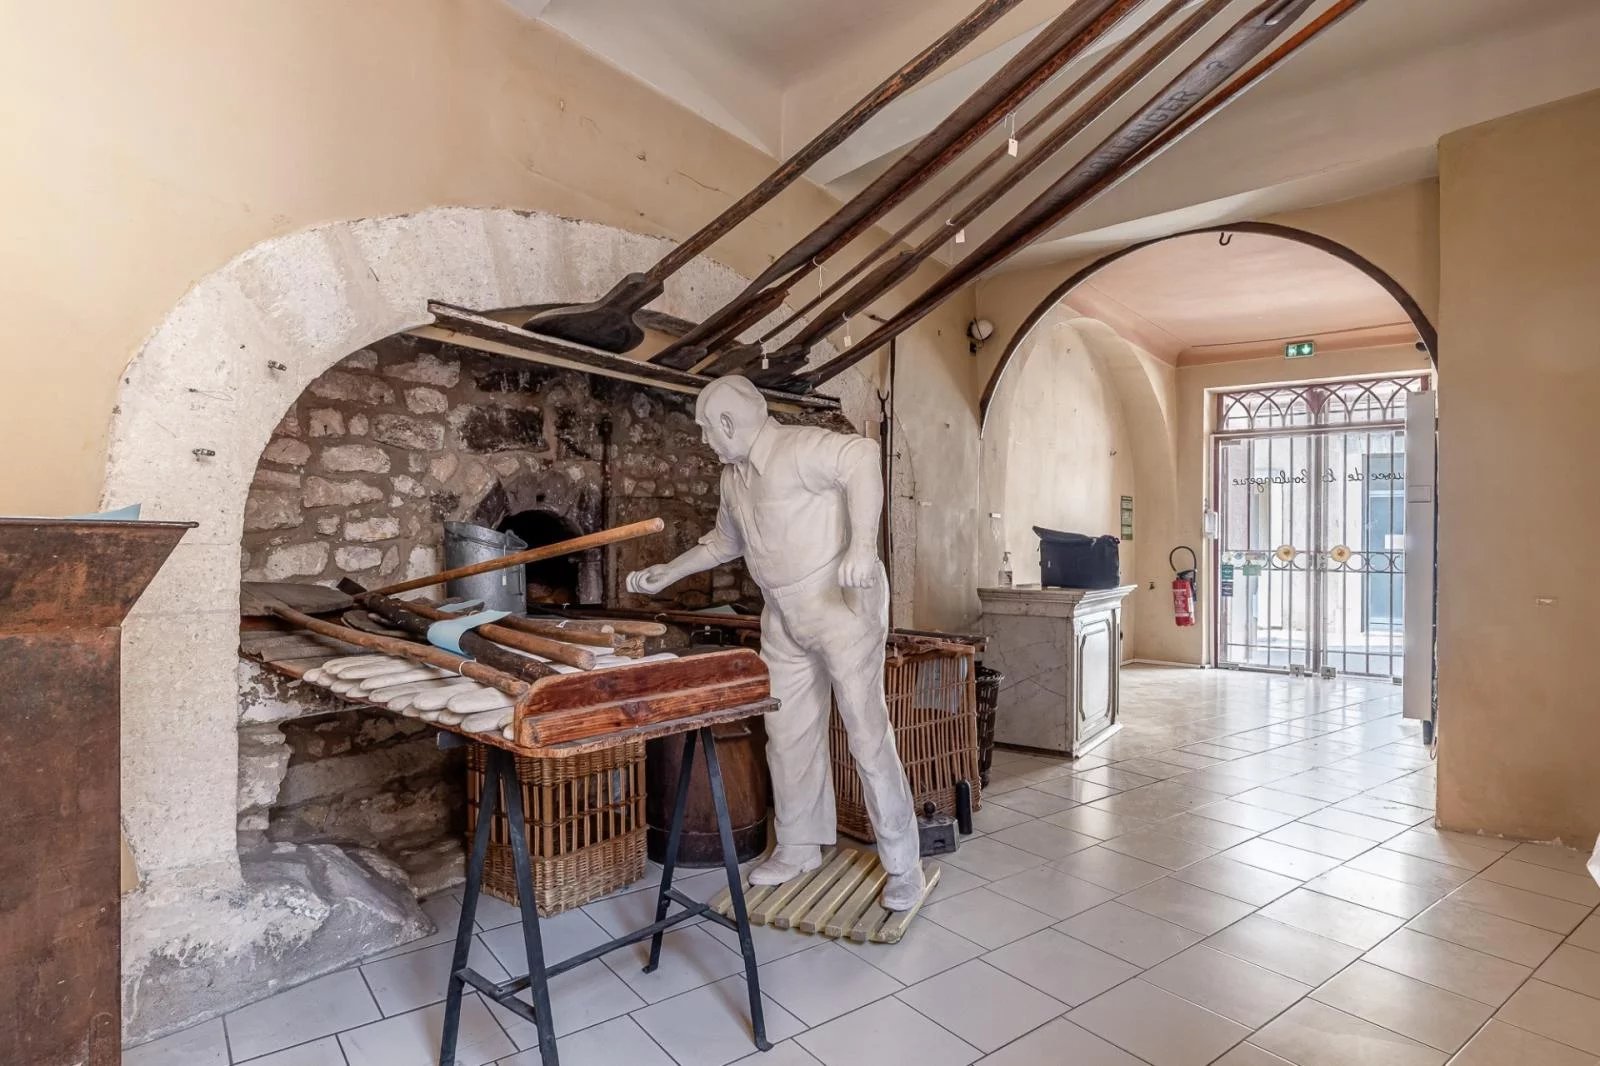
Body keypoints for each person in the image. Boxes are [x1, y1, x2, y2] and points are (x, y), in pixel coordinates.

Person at [626, 376, 925, 910]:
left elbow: (861, 457)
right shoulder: (733, 478)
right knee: (786, 733)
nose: (704, 440)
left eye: (705, 429)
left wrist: (862, 546)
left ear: (727, 422)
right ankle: (798, 845)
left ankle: (904, 863)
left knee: (865, 732)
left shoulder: (797, 448)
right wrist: (665, 573)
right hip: (782, 612)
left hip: (838, 606)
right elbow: (724, 542)